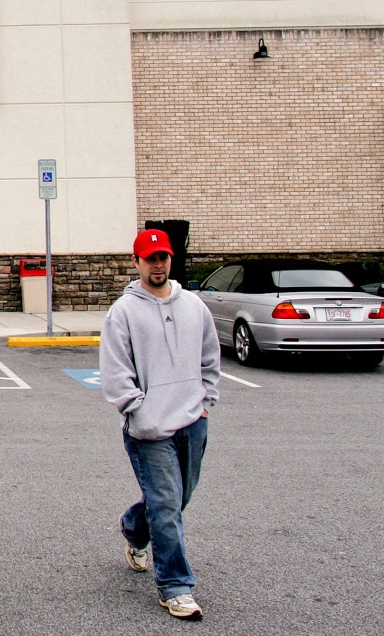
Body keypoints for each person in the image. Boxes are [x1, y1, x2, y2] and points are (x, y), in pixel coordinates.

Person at [100, 229, 220, 621]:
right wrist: (138, 409)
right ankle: (176, 587)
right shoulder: (124, 311)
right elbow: (115, 370)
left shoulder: (194, 306)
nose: (157, 265)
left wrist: (206, 401)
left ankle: (134, 527)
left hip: (192, 421)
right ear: (136, 262)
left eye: (163, 257)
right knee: (167, 505)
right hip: (149, 429)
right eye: (150, 258)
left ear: (171, 260)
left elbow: (209, 356)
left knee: (178, 497)